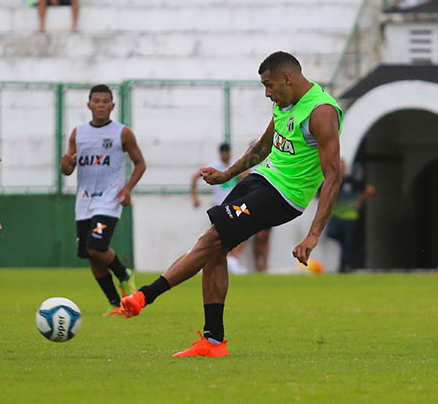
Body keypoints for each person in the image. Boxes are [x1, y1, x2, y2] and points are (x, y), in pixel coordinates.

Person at [121, 52, 343, 357]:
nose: (267, 93)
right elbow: (263, 146)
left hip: (283, 196)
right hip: (259, 181)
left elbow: (333, 177)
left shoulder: (321, 112)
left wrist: (313, 235)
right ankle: (213, 341)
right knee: (217, 247)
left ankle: (146, 296)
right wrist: (228, 174)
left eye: (269, 85)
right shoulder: (285, 104)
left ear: (287, 78)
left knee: (210, 239)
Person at [60, 84, 146, 316]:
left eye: (105, 101)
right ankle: (116, 304)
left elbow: (140, 162)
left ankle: (124, 275)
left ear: (112, 105)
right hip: (84, 201)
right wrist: (65, 164)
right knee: (91, 254)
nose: (100, 105)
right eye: (96, 101)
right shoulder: (78, 133)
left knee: (96, 246)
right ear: (89, 105)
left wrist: (127, 188)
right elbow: (67, 168)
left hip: (109, 199)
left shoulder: (122, 133)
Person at [191, 143, 248, 275]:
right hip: (221, 205)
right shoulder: (215, 166)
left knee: (244, 232)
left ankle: (233, 259)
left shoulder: (234, 164)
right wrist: (194, 196)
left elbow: (246, 173)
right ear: (220, 153)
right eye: (223, 152)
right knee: (221, 235)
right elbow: (196, 176)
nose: (225, 155)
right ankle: (224, 261)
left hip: (235, 204)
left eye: (227, 152)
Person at [326, 159, 375, 273]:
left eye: (342, 166)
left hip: (350, 217)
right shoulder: (332, 181)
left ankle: (345, 266)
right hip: (336, 215)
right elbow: (319, 191)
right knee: (332, 234)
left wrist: (358, 201)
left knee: (348, 243)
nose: (341, 168)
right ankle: (343, 263)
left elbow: (369, 189)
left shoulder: (351, 181)